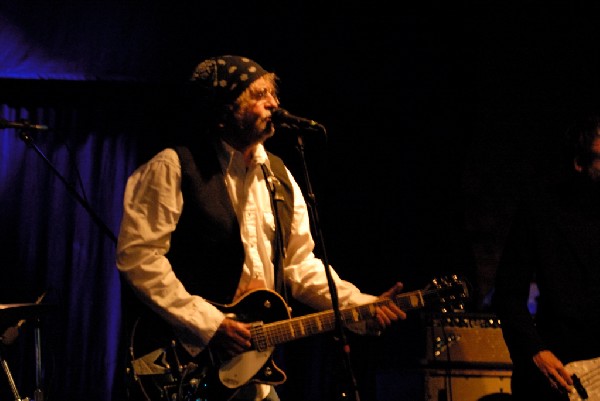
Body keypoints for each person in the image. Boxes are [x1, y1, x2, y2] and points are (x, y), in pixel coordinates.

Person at [115, 55, 406, 401]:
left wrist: (359, 307)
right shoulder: (175, 166)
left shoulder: (280, 177)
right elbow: (140, 258)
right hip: (186, 360)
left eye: (273, 93)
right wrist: (209, 323)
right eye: (258, 95)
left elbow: (299, 266)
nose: (274, 103)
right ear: (224, 110)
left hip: (250, 367)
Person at [493, 113, 600, 401]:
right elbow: (508, 293)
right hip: (561, 367)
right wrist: (535, 351)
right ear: (579, 163)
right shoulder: (540, 209)